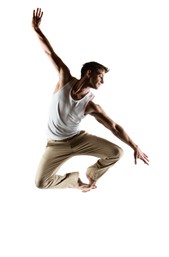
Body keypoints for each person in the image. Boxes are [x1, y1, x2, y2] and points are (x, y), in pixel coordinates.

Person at [32, 8, 149, 192]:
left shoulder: (91, 105)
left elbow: (115, 127)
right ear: (89, 73)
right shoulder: (64, 80)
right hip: (55, 144)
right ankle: (75, 182)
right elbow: (50, 53)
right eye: (101, 76)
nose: (103, 81)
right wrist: (37, 30)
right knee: (40, 182)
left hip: (79, 139)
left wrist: (135, 146)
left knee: (117, 153)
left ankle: (92, 174)